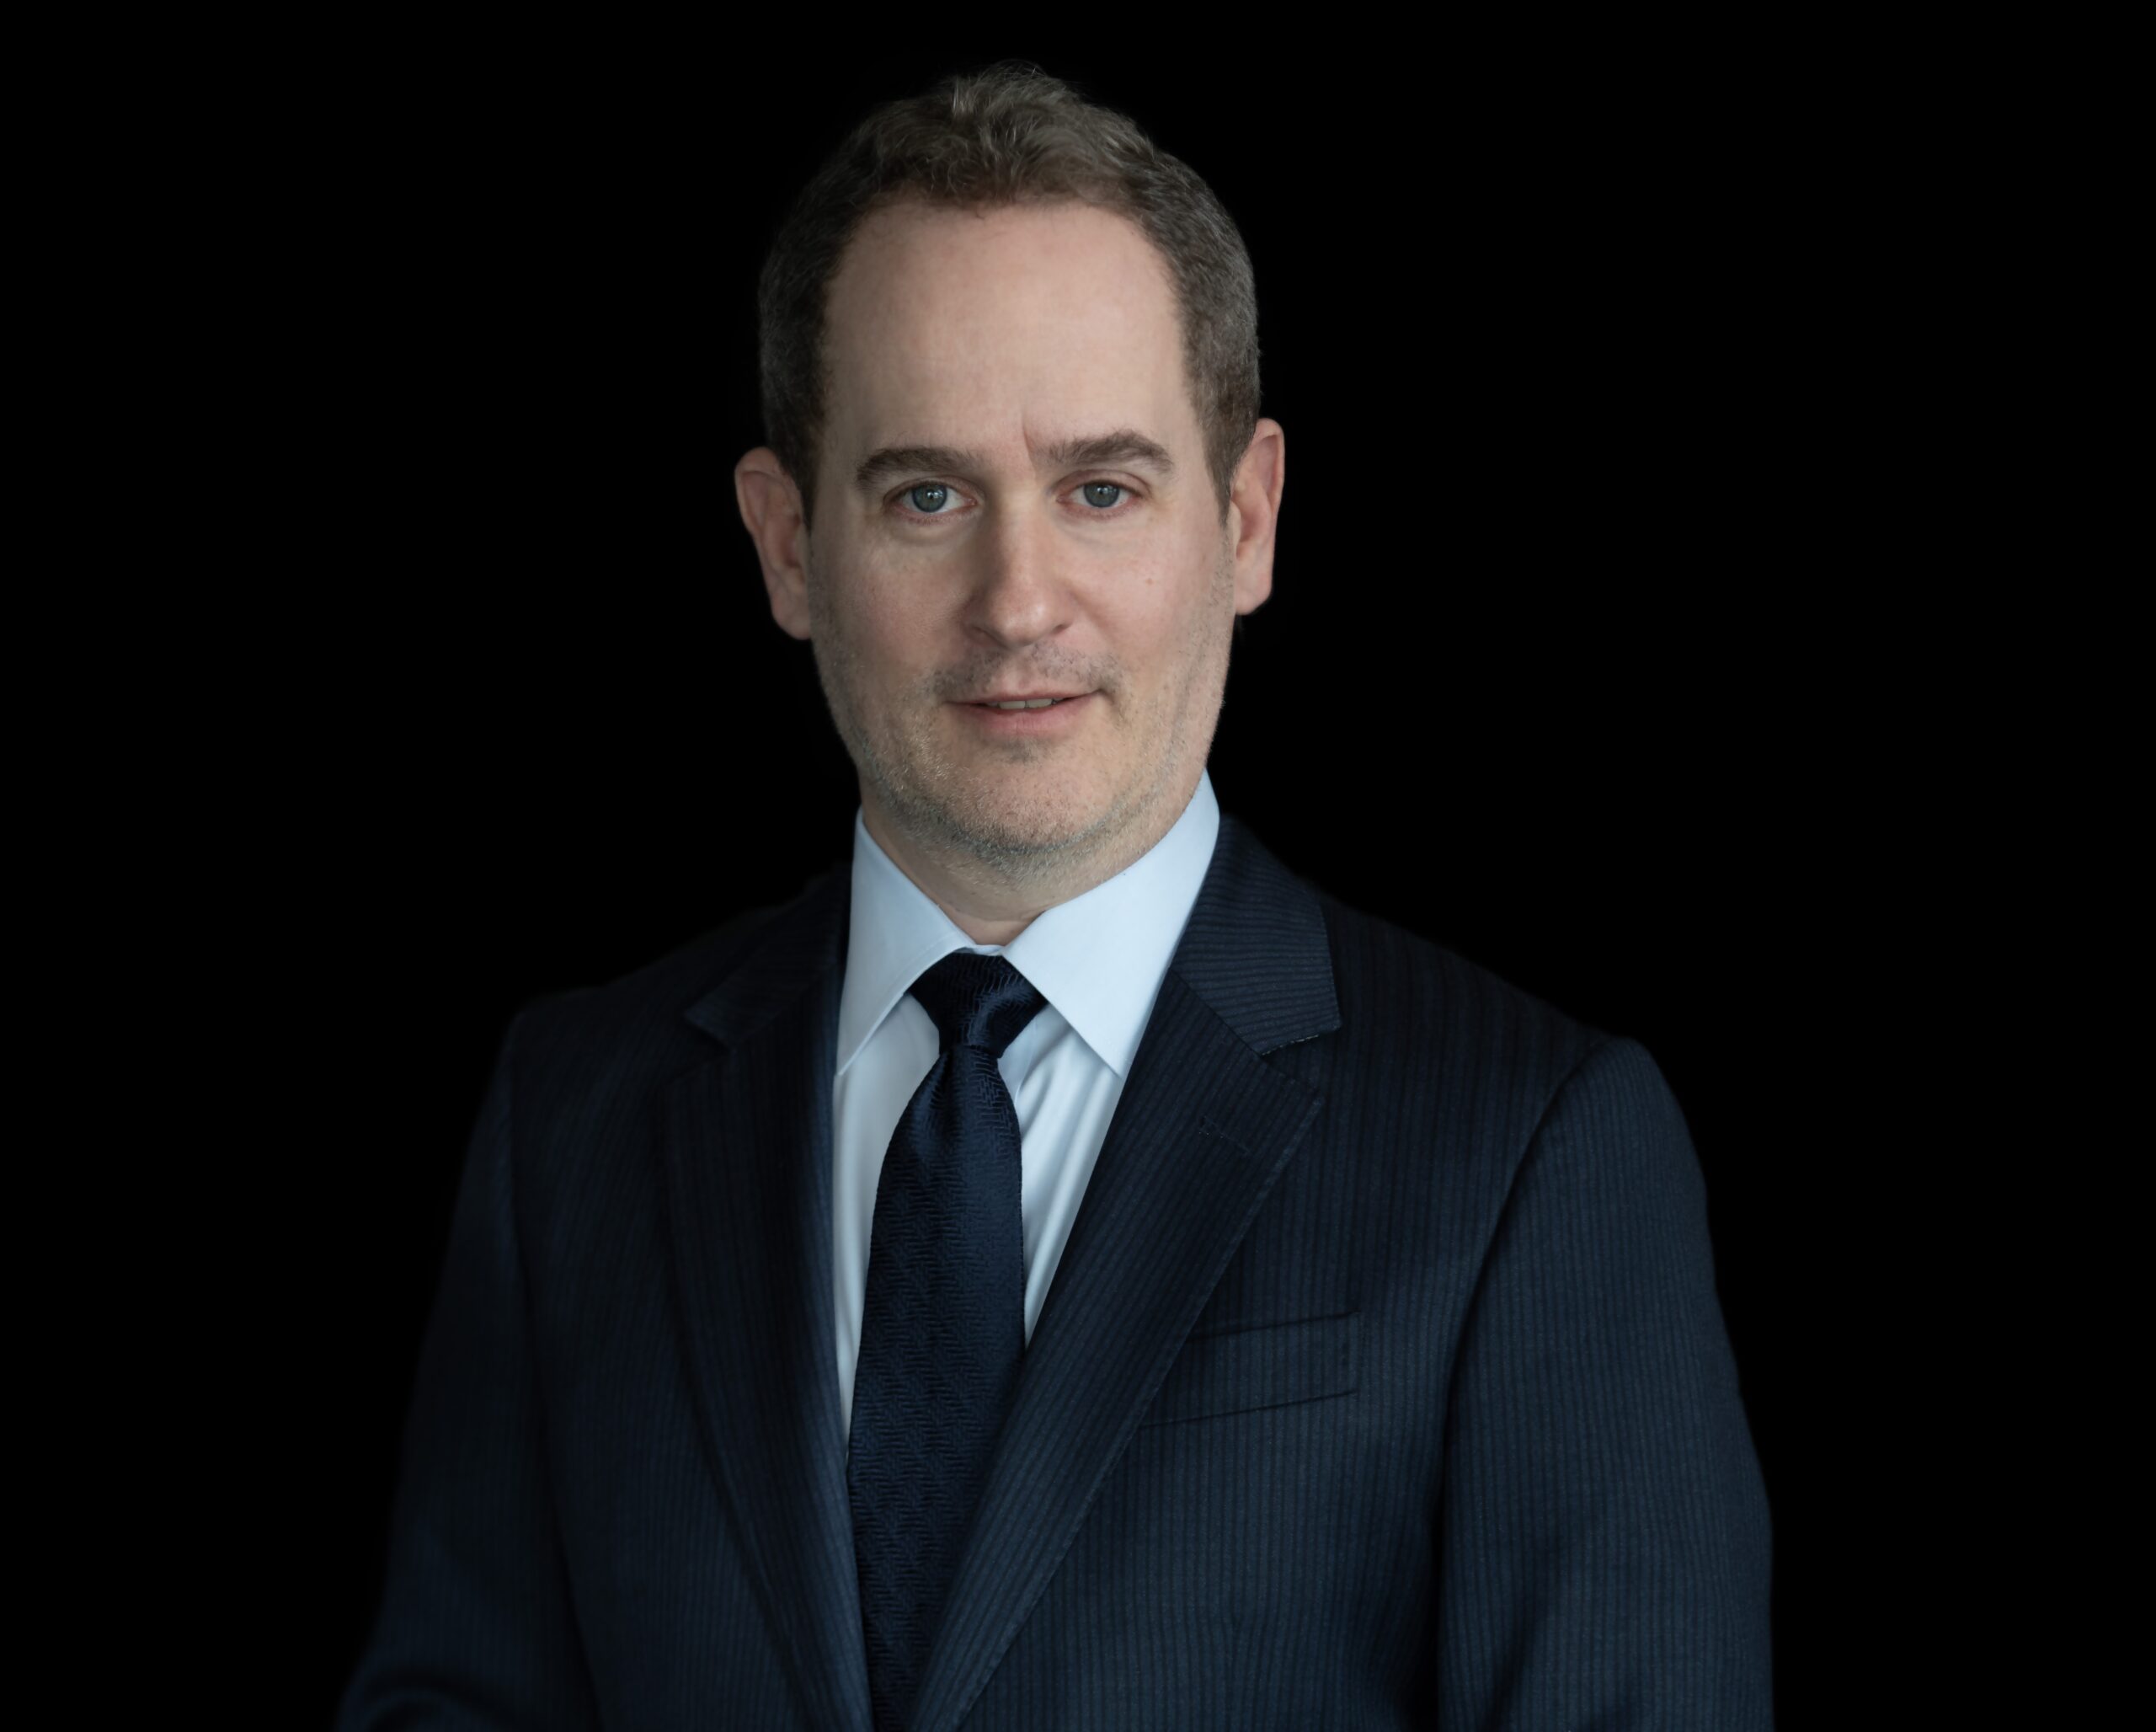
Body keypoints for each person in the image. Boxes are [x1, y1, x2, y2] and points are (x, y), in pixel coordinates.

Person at [339, 61, 1773, 1730]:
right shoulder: (572, 1117)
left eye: (1101, 489)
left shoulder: (1532, 1147)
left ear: (1244, 521)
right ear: (787, 544)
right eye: (927, 495)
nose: (1018, 601)